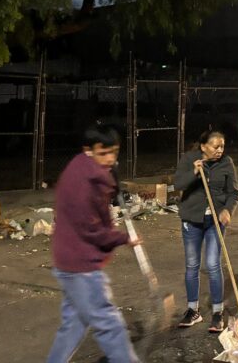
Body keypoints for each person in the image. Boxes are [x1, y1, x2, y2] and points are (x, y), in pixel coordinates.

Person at [47, 124, 140, 363]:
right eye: (103, 153)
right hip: (81, 264)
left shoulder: (81, 166)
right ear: (88, 150)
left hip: (66, 258)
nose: (110, 159)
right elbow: (92, 230)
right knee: (108, 323)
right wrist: (123, 238)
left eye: (114, 152)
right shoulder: (86, 184)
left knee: (74, 324)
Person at [173, 130, 238, 333]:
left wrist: (228, 210)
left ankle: (218, 312)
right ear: (203, 146)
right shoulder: (189, 159)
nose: (220, 150)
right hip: (191, 220)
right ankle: (193, 310)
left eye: (222, 146)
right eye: (215, 146)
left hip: (215, 221)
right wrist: (193, 172)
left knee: (212, 264)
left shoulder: (226, 163)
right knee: (192, 265)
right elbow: (178, 184)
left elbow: (234, 192)